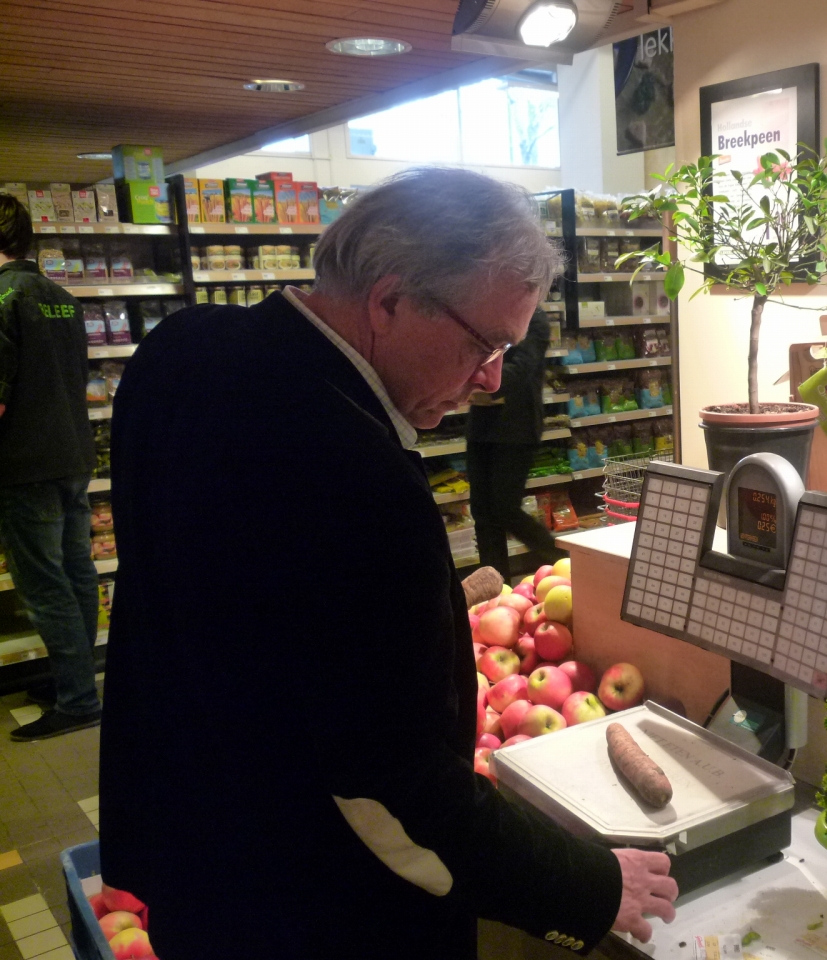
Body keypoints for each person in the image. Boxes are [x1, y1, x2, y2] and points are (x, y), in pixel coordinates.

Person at [99, 169, 677, 960]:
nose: (492, 379)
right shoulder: (360, 478)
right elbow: (392, 786)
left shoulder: (179, 349)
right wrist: (590, 886)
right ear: (391, 301)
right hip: (315, 909)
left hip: (192, 855)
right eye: (484, 343)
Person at [0, 194, 102, 742]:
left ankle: (78, 699)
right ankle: (75, 679)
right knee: (77, 570)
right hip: (72, 454)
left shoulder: (2, 299)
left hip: (25, 462)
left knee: (44, 586)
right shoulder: (61, 297)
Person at [466, 306, 567, 578]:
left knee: (505, 508)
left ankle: (565, 561)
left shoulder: (535, 318)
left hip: (516, 427)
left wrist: (478, 382)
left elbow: (523, 367)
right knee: (482, 512)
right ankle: (496, 587)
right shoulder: (486, 310)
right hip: (481, 425)